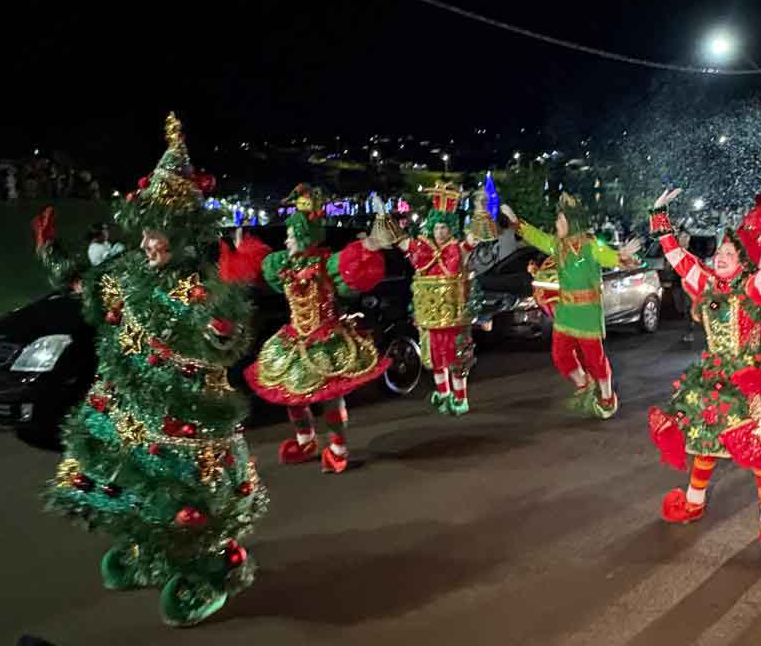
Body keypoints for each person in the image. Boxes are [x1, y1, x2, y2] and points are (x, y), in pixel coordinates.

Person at [32, 114, 266, 627]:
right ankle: (151, 549)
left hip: (183, 419)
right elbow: (81, 285)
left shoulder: (201, 287)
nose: (147, 243)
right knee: (129, 482)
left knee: (190, 499)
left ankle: (216, 567)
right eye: (145, 232)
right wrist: (50, 252)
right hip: (126, 405)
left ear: (181, 235)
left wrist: (227, 314)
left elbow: (223, 341)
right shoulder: (126, 271)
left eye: (157, 234)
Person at [646, 189, 761, 552]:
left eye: (728, 254)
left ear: (742, 262)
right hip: (713, 376)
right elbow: (676, 256)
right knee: (706, 443)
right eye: (718, 253)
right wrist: (659, 214)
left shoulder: (752, 288)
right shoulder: (705, 284)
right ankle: (694, 501)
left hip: (751, 380)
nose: (720, 258)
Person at [220, 183, 391, 473]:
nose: (286, 240)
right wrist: (242, 251)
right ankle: (305, 439)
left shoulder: (326, 264)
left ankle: (338, 447)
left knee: (331, 397)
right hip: (295, 338)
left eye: (290, 235)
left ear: (303, 237)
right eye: (287, 235)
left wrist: (370, 245)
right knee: (292, 393)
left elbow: (350, 265)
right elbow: (258, 268)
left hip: (327, 338)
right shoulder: (284, 265)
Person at [500, 194, 641, 418]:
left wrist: (621, 256)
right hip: (565, 313)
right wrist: (516, 222)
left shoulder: (590, 246)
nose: (557, 224)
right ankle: (584, 384)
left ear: (572, 223)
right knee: (560, 355)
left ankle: (607, 397)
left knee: (595, 359)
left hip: (587, 314)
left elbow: (608, 256)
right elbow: (538, 238)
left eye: (561, 220)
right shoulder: (558, 246)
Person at [391, 183, 479, 415]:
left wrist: (481, 212)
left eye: (444, 227)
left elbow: (475, 237)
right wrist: (385, 220)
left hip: (454, 318)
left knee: (457, 360)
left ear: (451, 229)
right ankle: (443, 393)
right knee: (435, 359)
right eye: (437, 227)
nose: (440, 232)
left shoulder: (459, 249)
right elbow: (401, 242)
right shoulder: (423, 250)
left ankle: (461, 398)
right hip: (430, 317)